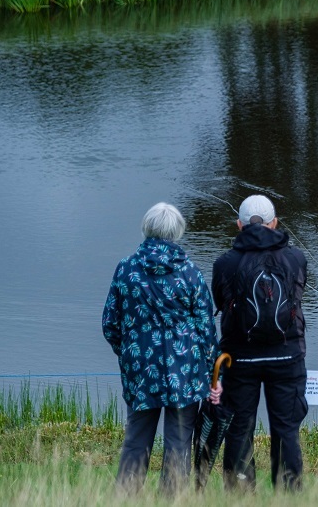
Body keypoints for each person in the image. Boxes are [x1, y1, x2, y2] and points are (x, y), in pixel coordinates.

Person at [102, 202, 221, 495]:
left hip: (141, 371)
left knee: (135, 440)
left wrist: (130, 352)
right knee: (179, 443)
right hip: (185, 373)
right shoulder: (190, 273)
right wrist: (210, 371)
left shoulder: (126, 269)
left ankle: (125, 499)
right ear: (177, 232)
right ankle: (173, 500)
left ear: (147, 228)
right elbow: (206, 329)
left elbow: (110, 324)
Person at [213, 194, 308, 492]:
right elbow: (297, 297)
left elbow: (220, 301)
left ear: (239, 225)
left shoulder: (225, 263)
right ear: (274, 223)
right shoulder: (296, 258)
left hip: (240, 359)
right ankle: (289, 492)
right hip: (287, 356)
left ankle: (241, 493)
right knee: (286, 429)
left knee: (239, 428)